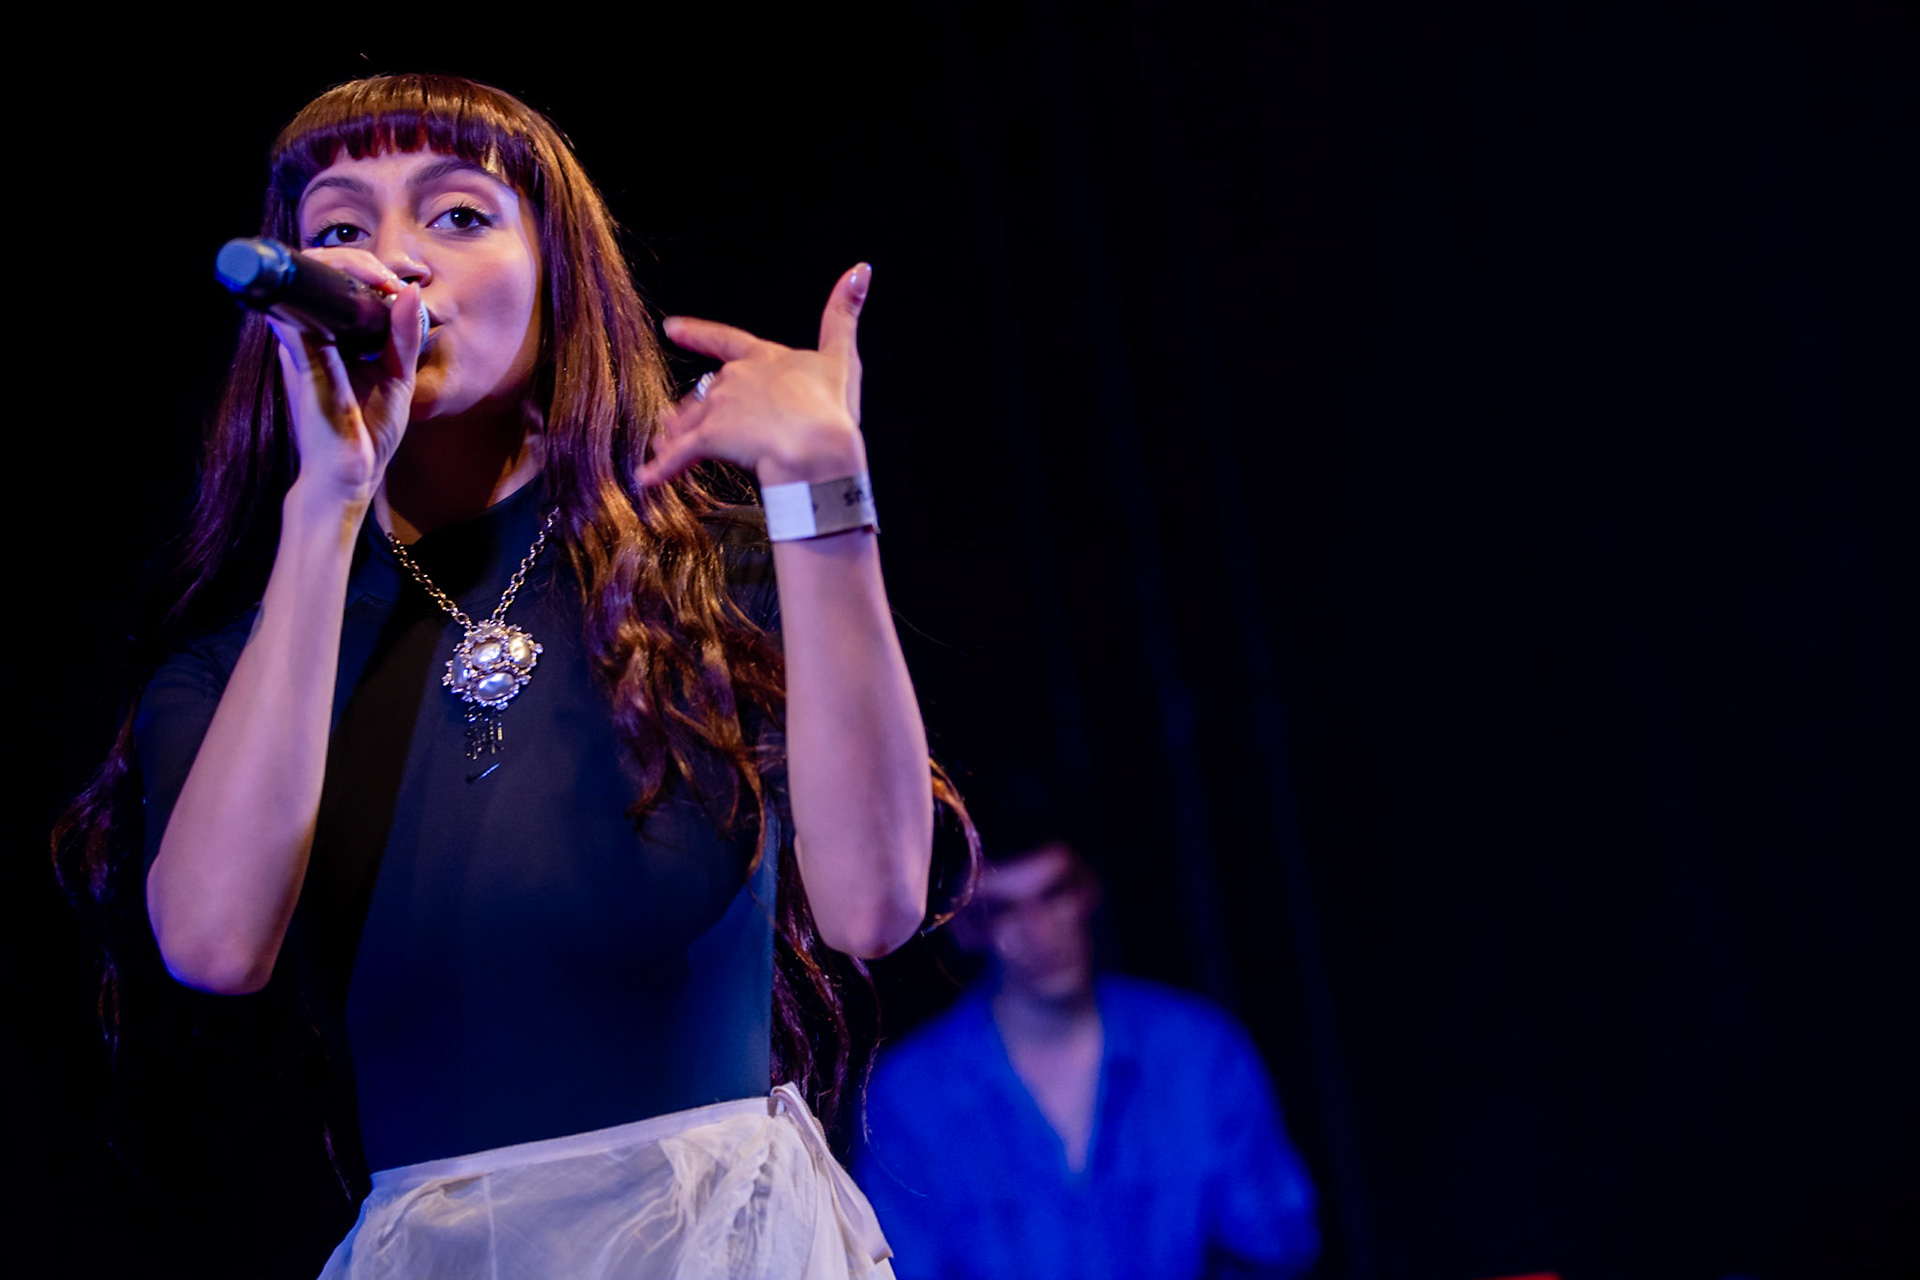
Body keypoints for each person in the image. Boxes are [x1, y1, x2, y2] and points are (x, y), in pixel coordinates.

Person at [53, 74, 971, 1279]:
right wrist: (329, 499)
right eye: (340, 228)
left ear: (558, 273)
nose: (395, 261)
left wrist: (825, 496)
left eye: (456, 215)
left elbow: (873, 905)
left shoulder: (721, 579)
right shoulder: (239, 664)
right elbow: (215, 943)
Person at [854, 800, 1320, 1280]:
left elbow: (1273, 1250)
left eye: (1054, 894)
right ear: (968, 928)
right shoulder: (910, 1097)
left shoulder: (1197, 1052)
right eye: (1005, 910)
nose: (1040, 933)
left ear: (1088, 891)